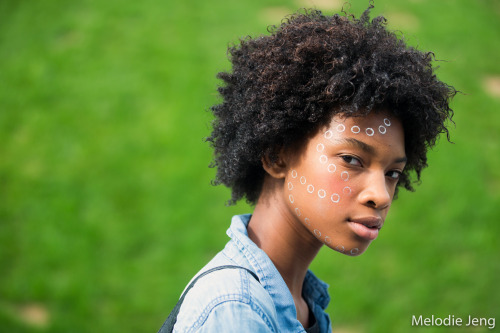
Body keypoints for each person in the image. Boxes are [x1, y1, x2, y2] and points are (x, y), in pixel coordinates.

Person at [158, 4, 456, 333]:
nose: (381, 196)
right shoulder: (235, 313)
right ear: (276, 156)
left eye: (392, 173)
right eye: (352, 160)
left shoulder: (302, 303)